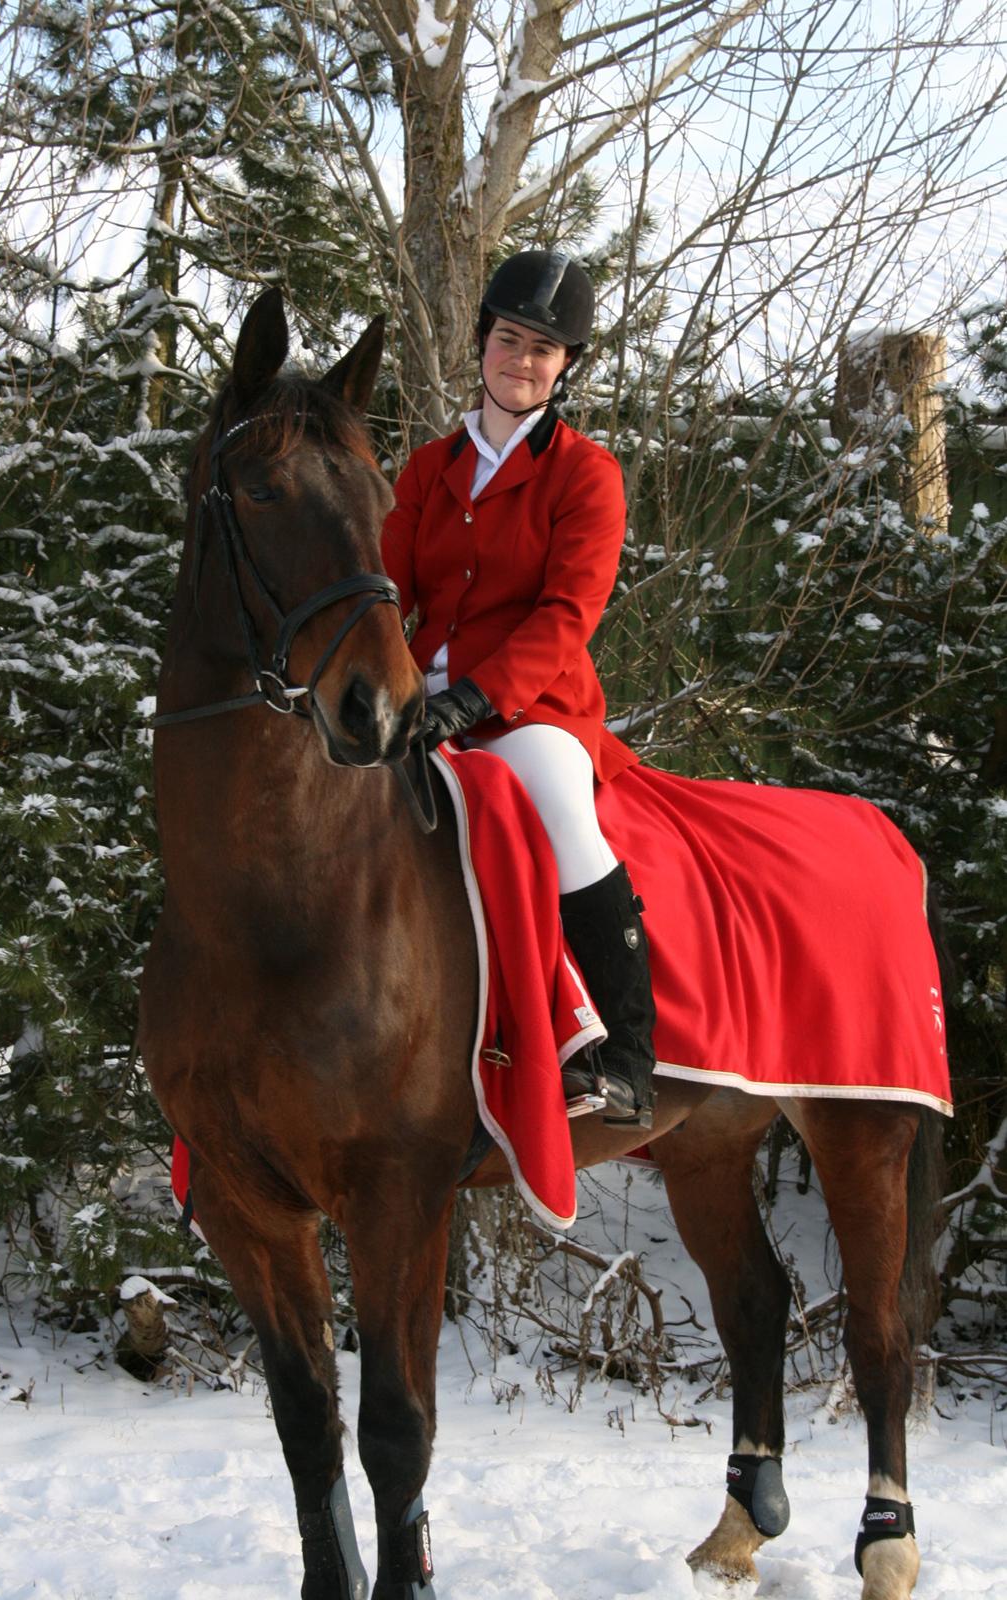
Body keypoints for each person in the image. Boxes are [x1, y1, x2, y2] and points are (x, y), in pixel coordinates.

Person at [381, 249, 655, 1127]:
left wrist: (477, 699)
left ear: (565, 366)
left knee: (557, 810)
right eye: (510, 339)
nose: (522, 361)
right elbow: (387, 589)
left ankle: (627, 1052)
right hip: (418, 702)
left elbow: (568, 613)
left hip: (533, 710)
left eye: (544, 349)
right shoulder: (429, 469)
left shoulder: (585, 474)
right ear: (482, 343)